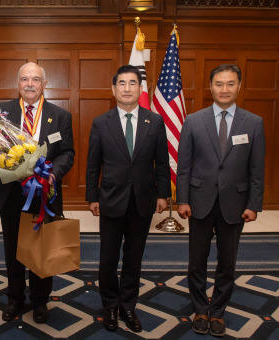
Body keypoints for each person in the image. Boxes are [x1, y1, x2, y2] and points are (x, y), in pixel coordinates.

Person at [177, 64, 265, 337]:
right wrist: (182, 200)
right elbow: (184, 166)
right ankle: (201, 309)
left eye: (230, 83)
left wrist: (253, 204)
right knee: (197, 262)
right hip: (199, 201)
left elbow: (257, 168)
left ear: (239, 86)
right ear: (210, 87)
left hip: (235, 206)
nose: (224, 89)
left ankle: (218, 312)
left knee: (227, 263)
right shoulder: (193, 120)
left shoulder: (254, 122)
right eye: (218, 83)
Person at [86, 65, 171, 332]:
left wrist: (163, 194)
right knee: (108, 258)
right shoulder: (101, 122)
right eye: (121, 83)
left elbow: (162, 161)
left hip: (143, 200)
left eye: (132, 83)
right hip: (110, 199)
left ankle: (128, 305)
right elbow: (93, 164)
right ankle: (110, 305)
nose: (127, 88)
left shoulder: (155, 121)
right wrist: (92, 197)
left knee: (134, 257)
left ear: (140, 88)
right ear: (113, 90)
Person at [0, 62, 75, 324]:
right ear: (18, 84)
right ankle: (14, 297)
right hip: (11, 192)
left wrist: (52, 173)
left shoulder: (60, 116)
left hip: (43, 193)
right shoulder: (1, 112)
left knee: (41, 248)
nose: (29, 84)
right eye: (24, 79)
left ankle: (40, 300)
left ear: (44, 84)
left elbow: (68, 153)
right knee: (13, 248)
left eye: (35, 79)